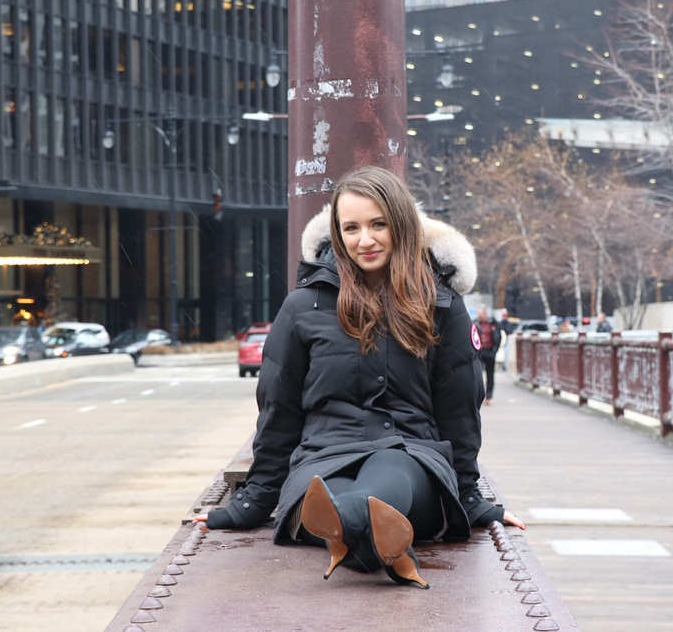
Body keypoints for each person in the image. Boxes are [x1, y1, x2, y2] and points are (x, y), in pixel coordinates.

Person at [195, 167, 524, 589]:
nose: (363, 240)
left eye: (377, 224)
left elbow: (458, 412)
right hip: (321, 461)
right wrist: (252, 503)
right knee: (322, 492)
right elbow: (280, 413)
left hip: (414, 462)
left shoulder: (442, 306)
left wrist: (471, 498)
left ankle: (347, 525)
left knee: (390, 463)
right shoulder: (303, 308)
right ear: (337, 233)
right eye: (350, 228)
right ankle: (372, 541)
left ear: (401, 225)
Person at [475, 307, 500, 405]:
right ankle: (478, 396)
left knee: (490, 375)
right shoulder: (475, 323)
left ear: (485, 314)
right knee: (477, 374)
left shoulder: (493, 323)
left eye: (480, 314)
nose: (478, 316)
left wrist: (495, 350)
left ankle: (489, 396)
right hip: (479, 352)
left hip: (490, 351)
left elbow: (498, 336)